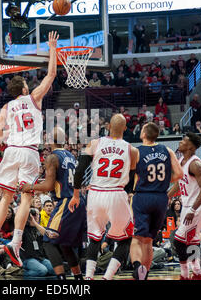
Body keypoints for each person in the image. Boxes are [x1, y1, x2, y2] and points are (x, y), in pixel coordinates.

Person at [0, 31, 58, 267]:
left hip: (10, 151)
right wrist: (52, 47)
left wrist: (10, 134)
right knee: (26, 197)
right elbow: (51, 74)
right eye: (27, 85)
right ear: (25, 90)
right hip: (28, 151)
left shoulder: (7, 107)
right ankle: (15, 243)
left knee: (5, 197)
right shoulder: (34, 98)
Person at [69, 114, 137, 280]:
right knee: (125, 239)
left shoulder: (94, 143)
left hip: (96, 193)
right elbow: (132, 178)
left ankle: (89, 277)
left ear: (108, 127)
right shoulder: (132, 150)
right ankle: (107, 276)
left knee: (94, 238)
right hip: (116, 193)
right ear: (125, 129)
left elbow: (79, 170)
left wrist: (76, 194)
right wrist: (128, 194)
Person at [21, 127, 86, 280]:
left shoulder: (51, 157)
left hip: (66, 202)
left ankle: (61, 280)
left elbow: (49, 186)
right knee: (65, 244)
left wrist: (29, 187)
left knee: (49, 241)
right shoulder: (71, 155)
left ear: (50, 138)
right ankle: (78, 278)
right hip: (79, 202)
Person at [130, 122, 183, 280]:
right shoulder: (167, 150)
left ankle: (137, 266)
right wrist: (166, 181)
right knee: (149, 240)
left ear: (144, 134)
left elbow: (130, 175)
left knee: (137, 238)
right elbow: (179, 174)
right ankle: (145, 274)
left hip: (143, 196)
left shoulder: (137, 151)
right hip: (161, 198)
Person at [167, 133, 201, 280]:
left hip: (198, 206)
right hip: (189, 204)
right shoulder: (181, 161)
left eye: (184, 140)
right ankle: (197, 273)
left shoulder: (194, 164)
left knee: (179, 239)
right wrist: (167, 196)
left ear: (191, 146)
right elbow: (179, 184)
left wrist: (192, 209)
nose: (180, 142)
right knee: (192, 240)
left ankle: (185, 274)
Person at [20, 208, 55, 278]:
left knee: (55, 270)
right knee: (43, 271)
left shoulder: (39, 228)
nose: (36, 216)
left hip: (40, 258)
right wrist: (26, 218)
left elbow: (46, 234)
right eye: (33, 215)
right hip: (28, 259)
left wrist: (35, 223)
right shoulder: (23, 228)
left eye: (37, 215)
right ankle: (21, 273)